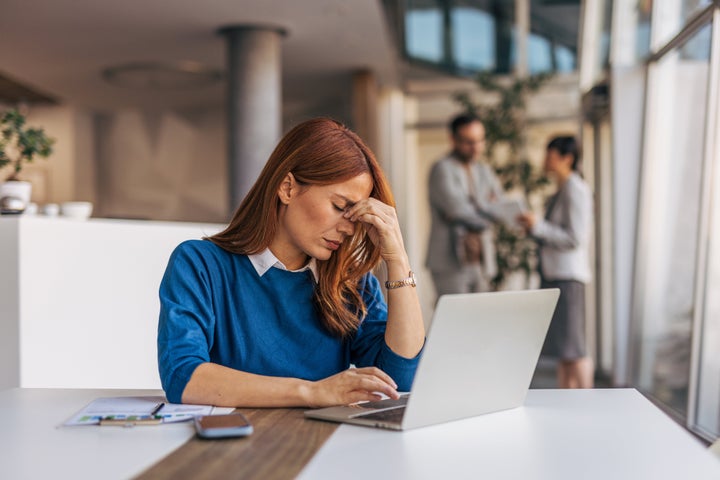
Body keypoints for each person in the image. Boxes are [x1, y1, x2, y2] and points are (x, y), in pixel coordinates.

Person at [157, 118, 426, 408]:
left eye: (356, 215)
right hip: (230, 447)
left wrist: (397, 259)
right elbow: (183, 378)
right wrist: (311, 392)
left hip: (324, 446)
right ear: (287, 188)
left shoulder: (351, 284)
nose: (349, 228)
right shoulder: (200, 265)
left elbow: (400, 380)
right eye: (339, 207)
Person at [517, 135, 594, 389]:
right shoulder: (562, 190)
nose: (545, 160)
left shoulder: (576, 189)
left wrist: (538, 226)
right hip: (556, 275)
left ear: (567, 159)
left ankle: (587, 399)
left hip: (568, 277)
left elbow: (575, 237)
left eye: (550, 155)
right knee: (565, 348)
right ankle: (569, 398)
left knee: (575, 348)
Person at [426, 113, 504, 297]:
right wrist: (486, 207)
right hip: (449, 261)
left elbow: (500, 206)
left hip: (481, 260)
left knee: (480, 318)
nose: (475, 148)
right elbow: (456, 209)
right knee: (453, 319)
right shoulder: (441, 169)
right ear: (453, 139)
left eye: (479, 141)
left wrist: (475, 209)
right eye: (468, 142)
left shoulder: (484, 170)